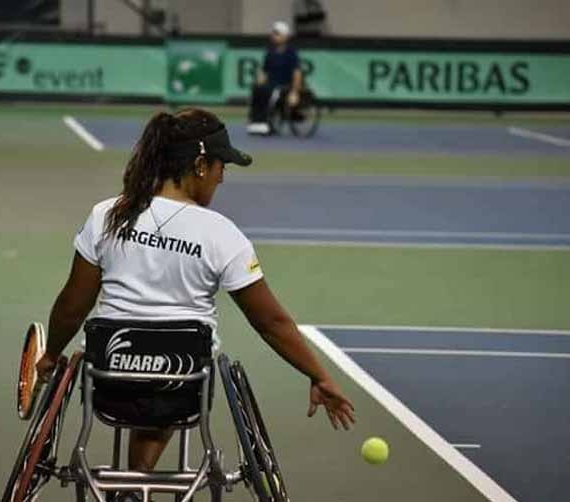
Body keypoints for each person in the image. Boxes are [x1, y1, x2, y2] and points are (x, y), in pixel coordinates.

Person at [34, 108, 354, 487]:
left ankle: (135, 484)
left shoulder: (109, 214)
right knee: (172, 375)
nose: (222, 177)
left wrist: (51, 356)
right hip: (181, 384)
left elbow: (73, 305)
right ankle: (138, 478)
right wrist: (318, 375)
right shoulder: (222, 235)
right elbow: (270, 322)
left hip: (108, 379)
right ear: (200, 165)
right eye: (222, 166)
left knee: (125, 362)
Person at [247, 21, 303, 134]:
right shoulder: (270, 52)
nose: (274, 36)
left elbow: (297, 73)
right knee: (257, 89)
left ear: (285, 36)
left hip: (284, 85)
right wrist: (260, 81)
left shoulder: (291, 53)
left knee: (267, 92)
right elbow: (264, 72)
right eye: (273, 33)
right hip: (271, 83)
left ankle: (264, 122)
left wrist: (294, 92)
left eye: (277, 33)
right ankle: (256, 121)